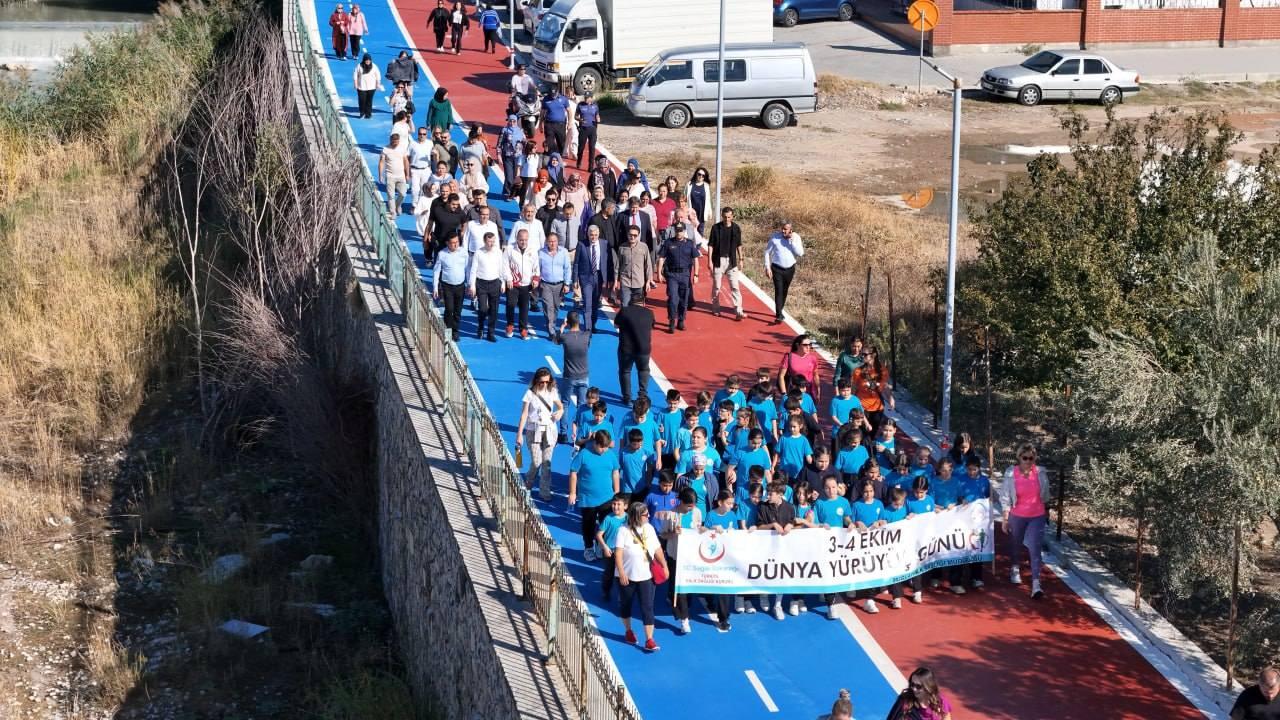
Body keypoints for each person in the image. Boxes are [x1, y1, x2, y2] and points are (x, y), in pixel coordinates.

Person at [998, 443, 1050, 599]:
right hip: (1017, 515)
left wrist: (1046, 510)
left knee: (1035, 547)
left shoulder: (1040, 473)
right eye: (1025, 458)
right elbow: (1005, 496)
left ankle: (1036, 583)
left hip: (1037, 516)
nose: (1028, 461)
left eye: (1031, 458)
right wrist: (1005, 518)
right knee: (1016, 543)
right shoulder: (1011, 473)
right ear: (1019, 457)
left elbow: (1046, 494)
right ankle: (1015, 567)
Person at [614, 501, 665, 653]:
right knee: (626, 605)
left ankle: (649, 639)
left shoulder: (649, 528)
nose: (649, 516)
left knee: (647, 607)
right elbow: (618, 553)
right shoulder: (623, 531)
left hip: (646, 575)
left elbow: (657, 548)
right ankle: (628, 630)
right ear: (637, 516)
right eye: (645, 514)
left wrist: (664, 565)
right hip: (627, 576)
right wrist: (621, 572)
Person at [570, 429, 621, 557]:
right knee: (588, 525)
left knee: (606, 524)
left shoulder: (610, 454)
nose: (604, 450)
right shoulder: (584, 454)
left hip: (607, 497)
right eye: (601, 447)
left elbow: (615, 472)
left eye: (606, 447)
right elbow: (573, 472)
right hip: (588, 499)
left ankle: (601, 545)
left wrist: (617, 490)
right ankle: (588, 547)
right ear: (595, 443)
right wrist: (572, 493)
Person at [516, 367, 564, 501]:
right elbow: (524, 415)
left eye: (547, 382)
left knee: (546, 463)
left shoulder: (552, 391)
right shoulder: (529, 394)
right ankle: (529, 480)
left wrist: (560, 412)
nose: (544, 384)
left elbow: (561, 407)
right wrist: (519, 434)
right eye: (542, 382)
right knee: (536, 461)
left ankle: (544, 491)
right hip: (533, 430)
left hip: (549, 430)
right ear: (536, 380)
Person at [754, 481, 797, 621]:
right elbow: (759, 526)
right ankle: (764, 595)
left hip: (783, 548)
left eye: (770, 494)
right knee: (766, 572)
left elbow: (793, 521)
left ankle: (778, 605)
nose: (767, 496)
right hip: (766, 547)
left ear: (780, 494)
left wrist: (790, 524)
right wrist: (773, 525)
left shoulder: (790, 507)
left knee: (781, 575)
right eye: (767, 493)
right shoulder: (763, 506)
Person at [656, 223, 700, 333]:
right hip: (672, 275)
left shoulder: (689, 243)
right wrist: (659, 273)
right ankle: (671, 320)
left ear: (684, 231)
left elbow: (695, 259)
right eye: (677, 230)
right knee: (673, 298)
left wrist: (696, 274)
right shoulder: (668, 242)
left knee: (683, 299)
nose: (678, 232)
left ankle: (681, 320)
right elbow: (661, 257)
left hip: (685, 275)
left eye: (680, 230)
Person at [468, 232, 510, 342]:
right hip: (481, 284)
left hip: (495, 283)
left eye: (493, 241)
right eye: (489, 241)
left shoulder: (498, 252)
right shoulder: (478, 253)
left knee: (494, 309)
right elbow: (473, 270)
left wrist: (503, 282)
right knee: (482, 308)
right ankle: (481, 326)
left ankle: (491, 333)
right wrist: (472, 285)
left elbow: (501, 268)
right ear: (484, 241)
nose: (491, 244)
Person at [705, 206, 744, 320]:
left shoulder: (736, 228)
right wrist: (709, 261)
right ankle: (716, 308)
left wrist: (741, 259)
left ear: (732, 217)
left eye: (729, 217)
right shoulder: (716, 228)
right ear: (722, 216)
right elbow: (710, 245)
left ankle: (738, 310)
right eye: (725, 217)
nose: (727, 219)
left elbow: (739, 245)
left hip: (731, 261)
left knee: (735, 286)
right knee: (717, 287)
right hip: (718, 261)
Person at [615, 295, 654, 406]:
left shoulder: (624, 311)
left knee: (625, 371)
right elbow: (651, 326)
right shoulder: (649, 313)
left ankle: (627, 398)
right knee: (643, 370)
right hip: (644, 349)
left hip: (626, 349)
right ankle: (642, 396)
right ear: (643, 302)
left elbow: (616, 324)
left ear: (631, 302)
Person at [763, 220, 804, 325]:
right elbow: (767, 252)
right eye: (782, 228)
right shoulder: (775, 237)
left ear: (791, 230)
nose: (783, 231)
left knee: (785, 290)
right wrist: (767, 267)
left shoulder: (796, 238)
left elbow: (800, 253)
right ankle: (778, 315)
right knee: (779, 290)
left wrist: (791, 241)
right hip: (777, 268)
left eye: (785, 229)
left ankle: (780, 309)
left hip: (790, 269)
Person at [573, 224, 610, 333]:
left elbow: (609, 262)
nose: (593, 237)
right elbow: (576, 263)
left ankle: (593, 325)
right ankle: (588, 328)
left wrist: (609, 279)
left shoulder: (604, 244)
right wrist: (575, 279)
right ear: (588, 234)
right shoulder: (581, 244)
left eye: (595, 235)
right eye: (591, 235)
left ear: (598, 234)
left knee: (595, 304)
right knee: (587, 303)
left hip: (599, 277)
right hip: (586, 278)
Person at [432, 232, 467, 341]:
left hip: (460, 286)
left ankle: (455, 331)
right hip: (447, 286)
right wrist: (435, 287)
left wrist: (470, 283)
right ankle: (448, 329)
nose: (455, 245)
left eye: (457, 242)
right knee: (449, 308)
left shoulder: (463, 252)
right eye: (453, 243)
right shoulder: (442, 254)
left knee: (458, 310)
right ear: (447, 243)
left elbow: (467, 267)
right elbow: (436, 271)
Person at [504, 229, 539, 339]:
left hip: (526, 284)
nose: (523, 242)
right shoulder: (509, 249)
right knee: (510, 304)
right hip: (513, 284)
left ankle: (523, 329)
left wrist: (535, 278)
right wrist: (508, 278)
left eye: (525, 240)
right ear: (517, 239)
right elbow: (504, 265)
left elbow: (536, 267)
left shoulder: (533, 251)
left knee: (524, 307)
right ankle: (510, 325)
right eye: (521, 240)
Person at [852, 346, 894, 435]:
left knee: (872, 434)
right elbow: (853, 389)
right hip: (862, 407)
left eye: (865, 354)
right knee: (861, 434)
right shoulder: (857, 371)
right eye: (862, 354)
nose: (862, 356)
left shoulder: (882, 370)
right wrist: (851, 404)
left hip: (878, 408)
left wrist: (890, 398)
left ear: (873, 355)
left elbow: (885, 386)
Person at [537, 233, 570, 341]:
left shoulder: (564, 252)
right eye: (550, 241)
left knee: (556, 307)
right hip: (545, 284)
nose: (552, 243)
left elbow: (567, 268)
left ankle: (552, 323)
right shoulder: (541, 253)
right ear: (547, 242)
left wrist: (567, 283)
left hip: (559, 285)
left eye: (554, 241)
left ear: (557, 242)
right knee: (548, 307)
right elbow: (537, 268)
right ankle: (551, 330)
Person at [595, 493, 629, 600]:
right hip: (610, 551)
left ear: (625, 506)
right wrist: (605, 547)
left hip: (623, 551)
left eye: (619, 504)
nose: (615, 507)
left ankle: (622, 595)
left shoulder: (628, 518)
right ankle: (606, 591)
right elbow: (599, 534)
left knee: (622, 573)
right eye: (614, 504)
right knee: (609, 573)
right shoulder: (608, 518)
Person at [888, 667, 953, 720]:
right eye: (912, 684)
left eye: (918, 686)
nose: (914, 689)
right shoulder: (905, 701)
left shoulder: (941, 701)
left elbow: (946, 717)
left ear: (928, 687)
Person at [615, 225, 654, 308]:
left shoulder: (644, 247)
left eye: (635, 235)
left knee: (638, 307)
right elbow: (617, 265)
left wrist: (648, 281)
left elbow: (648, 265)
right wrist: (615, 281)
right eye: (630, 235)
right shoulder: (622, 248)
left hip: (639, 283)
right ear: (627, 235)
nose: (632, 237)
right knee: (625, 306)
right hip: (625, 282)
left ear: (638, 235)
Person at [778, 333, 821, 404]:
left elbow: (816, 375)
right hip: (793, 393)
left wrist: (818, 392)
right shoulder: (789, 357)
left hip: (809, 393)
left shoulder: (813, 358)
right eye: (805, 345)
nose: (808, 347)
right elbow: (781, 376)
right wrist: (784, 394)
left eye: (810, 344)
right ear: (797, 345)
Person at [428, 192, 465, 266]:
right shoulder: (438, 210)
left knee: (450, 263)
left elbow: (465, 222)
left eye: (457, 204)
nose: (455, 206)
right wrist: (427, 235)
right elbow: (430, 223)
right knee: (438, 263)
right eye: (453, 204)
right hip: (438, 242)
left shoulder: (460, 212)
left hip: (451, 243)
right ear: (448, 202)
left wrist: (462, 232)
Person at [378, 132, 409, 217]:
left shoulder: (402, 148)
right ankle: (393, 212)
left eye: (397, 142)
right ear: (390, 140)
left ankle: (398, 205)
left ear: (399, 141)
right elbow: (381, 162)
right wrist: (380, 175)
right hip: (390, 176)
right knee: (391, 195)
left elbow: (406, 161)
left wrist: (407, 174)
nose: (395, 144)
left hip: (401, 176)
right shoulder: (385, 149)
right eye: (393, 142)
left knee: (403, 194)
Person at [498, 114, 525, 199]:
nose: (512, 123)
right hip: (507, 156)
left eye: (514, 121)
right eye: (510, 121)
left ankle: (512, 192)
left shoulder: (520, 131)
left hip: (518, 157)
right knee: (509, 176)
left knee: (515, 176)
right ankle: (508, 192)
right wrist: (498, 155)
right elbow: (499, 144)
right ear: (508, 121)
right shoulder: (504, 130)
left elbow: (524, 143)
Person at [541, 85, 571, 156]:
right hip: (549, 124)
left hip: (560, 125)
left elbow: (569, 111)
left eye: (554, 94)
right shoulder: (546, 99)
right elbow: (542, 112)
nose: (553, 96)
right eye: (552, 94)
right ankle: (549, 156)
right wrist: (540, 124)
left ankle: (560, 156)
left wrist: (569, 122)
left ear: (557, 92)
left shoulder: (563, 99)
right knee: (549, 142)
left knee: (561, 142)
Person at [684, 167, 714, 236]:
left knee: (700, 234)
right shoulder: (689, 184)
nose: (701, 176)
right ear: (696, 174)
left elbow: (709, 200)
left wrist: (710, 212)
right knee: (690, 234)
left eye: (703, 175)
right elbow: (684, 198)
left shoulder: (706, 186)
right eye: (699, 174)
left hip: (701, 214)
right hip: (690, 214)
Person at [575, 94, 600, 169]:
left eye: (587, 98)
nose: (586, 99)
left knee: (592, 148)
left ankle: (591, 166)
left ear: (591, 98)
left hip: (592, 129)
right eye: (585, 97)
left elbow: (597, 115)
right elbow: (575, 116)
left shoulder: (595, 105)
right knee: (581, 147)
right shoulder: (580, 105)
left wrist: (598, 119)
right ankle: (579, 162)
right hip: (583, 129)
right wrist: (580, 119)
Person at [352, 54, 381, 119]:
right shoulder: (359, 66)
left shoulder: (374, 66)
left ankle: (368, 114)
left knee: (369, 101)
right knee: (362, 101)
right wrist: (355, 84)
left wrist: (378, 84)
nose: (368, 61)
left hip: (371, 87)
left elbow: (378, 76)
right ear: (364, 60)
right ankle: (362, 113)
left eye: (369, 60)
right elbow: (355, 75)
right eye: (366, 60)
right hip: (361, 87)